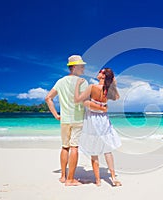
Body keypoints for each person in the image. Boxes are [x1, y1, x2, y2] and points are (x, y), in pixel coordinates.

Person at [45, 55, 106, 186]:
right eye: (82, 66)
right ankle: (70, 179)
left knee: (64, 147)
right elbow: (85, 102)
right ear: (74, 67)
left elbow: (48, 98)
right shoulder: (82, 82)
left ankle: (63, 176)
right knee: (74, 147)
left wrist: (56, 115)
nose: (84, 69)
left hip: (64, 120)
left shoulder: (60, 81)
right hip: (78, 119)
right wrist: (100, 108)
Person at [74, 68, 122, 187]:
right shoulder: (109, 90)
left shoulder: (92, 87)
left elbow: (77, 100)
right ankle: (113, 177)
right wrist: (114, 84)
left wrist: (77, 85)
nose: (98, 72)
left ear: (103, 76)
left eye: (101, 71)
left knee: (94, 150)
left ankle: (98, 180)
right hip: (104, 119)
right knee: (107, 150)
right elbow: (117, 97)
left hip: (92, 119)